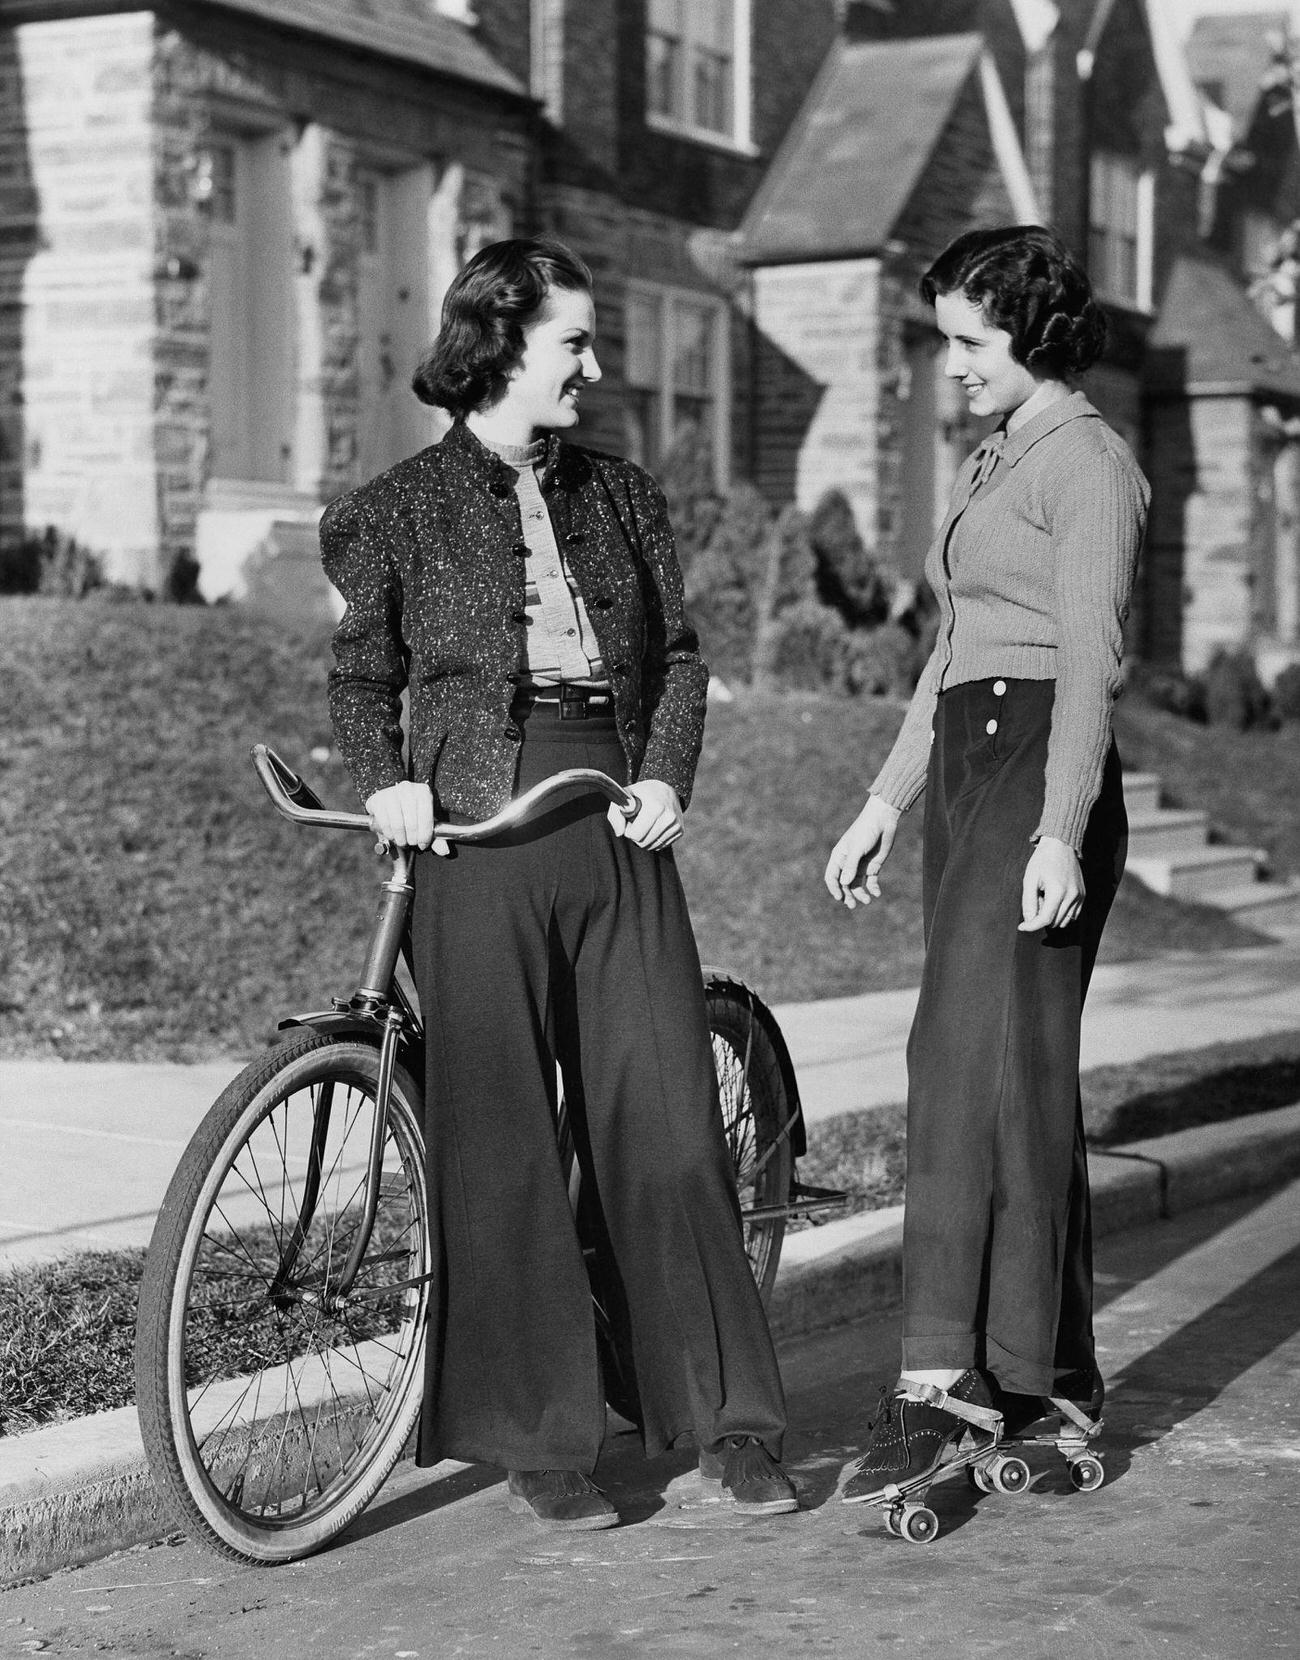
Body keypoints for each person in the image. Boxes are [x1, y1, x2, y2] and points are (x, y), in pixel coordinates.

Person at [321, 236, 797, 1532]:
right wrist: (389, 784)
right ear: (498, 345)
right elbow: (361, 680)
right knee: (504, 1148)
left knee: (669, 1127)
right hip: (475, 833)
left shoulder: (622, 496)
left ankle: (727, 1422)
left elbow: (685, 658)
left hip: (616, 822)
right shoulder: (401, 508)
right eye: (573, 343)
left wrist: (665, 775)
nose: (595, 365)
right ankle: (543, 1438)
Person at [823, 226, 1149, 1503]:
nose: (946, 364)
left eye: (967, 340)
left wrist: (1061, 827)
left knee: (962, 1059)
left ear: (1035, 334)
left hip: (1037, 774)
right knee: (1009, 1077)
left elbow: (1089, 658)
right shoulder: (995, 456)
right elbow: (952, 647)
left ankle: (941, 1375)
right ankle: (1049, 1381)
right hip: (970, 761)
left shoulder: (1090, 466)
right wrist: (884, 801)